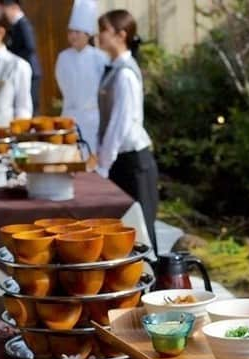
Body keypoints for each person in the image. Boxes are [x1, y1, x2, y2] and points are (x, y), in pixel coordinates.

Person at [96, 9, 158, 251]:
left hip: (134, 163)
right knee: (125, 232)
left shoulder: (124, 74)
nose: (99, 35)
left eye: (104, 30)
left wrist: (104, 163)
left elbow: (119, 125)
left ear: (121, 35)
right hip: (121, 161)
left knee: (141, 231)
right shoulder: (113, 69)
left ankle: (151, 286)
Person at [55, 0, 106, 153]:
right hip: (69, 115)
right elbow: (62, 82)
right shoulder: (63, 57)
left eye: (77, 32)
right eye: (70, 32)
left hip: (93, 117)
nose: (73, 36)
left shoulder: (100, 58)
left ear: (87, 34)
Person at [0, 0, 41, 113]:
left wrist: (13, 59)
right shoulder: (14, 25)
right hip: (22, 70)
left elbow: (30, 47)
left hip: (30, 71)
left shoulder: (23, 24)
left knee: (30, 106)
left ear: (13, 7)